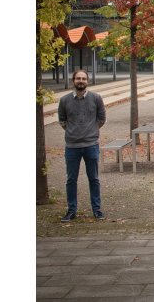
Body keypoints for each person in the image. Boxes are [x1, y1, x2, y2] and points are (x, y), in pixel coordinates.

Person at [57, 70, 107, 222]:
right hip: (72, 146)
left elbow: (102, 118)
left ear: (87, 81)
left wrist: (90, 131)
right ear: (73, 81)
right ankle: (71, 210)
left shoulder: (96, 98)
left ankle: (97, 210)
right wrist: (74, 132)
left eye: (83, 78)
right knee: (71, 180)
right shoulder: (64, 100)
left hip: (91, 145)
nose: (81, 81)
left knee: (94, 179)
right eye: (78, 78)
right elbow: (62, 120)